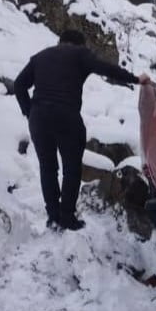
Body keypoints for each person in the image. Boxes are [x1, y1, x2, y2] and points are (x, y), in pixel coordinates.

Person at [14, 28, 139, 231]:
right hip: (66, 116)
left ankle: (53, 215)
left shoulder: (40, 57)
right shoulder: (80, 54)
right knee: (72, 168)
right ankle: (67, 216)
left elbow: (20, 85)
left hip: (39, 119)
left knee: (48, 168)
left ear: (60, 41)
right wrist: (134, 79)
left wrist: (30, 112)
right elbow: (106, 69)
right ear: (80, 44)